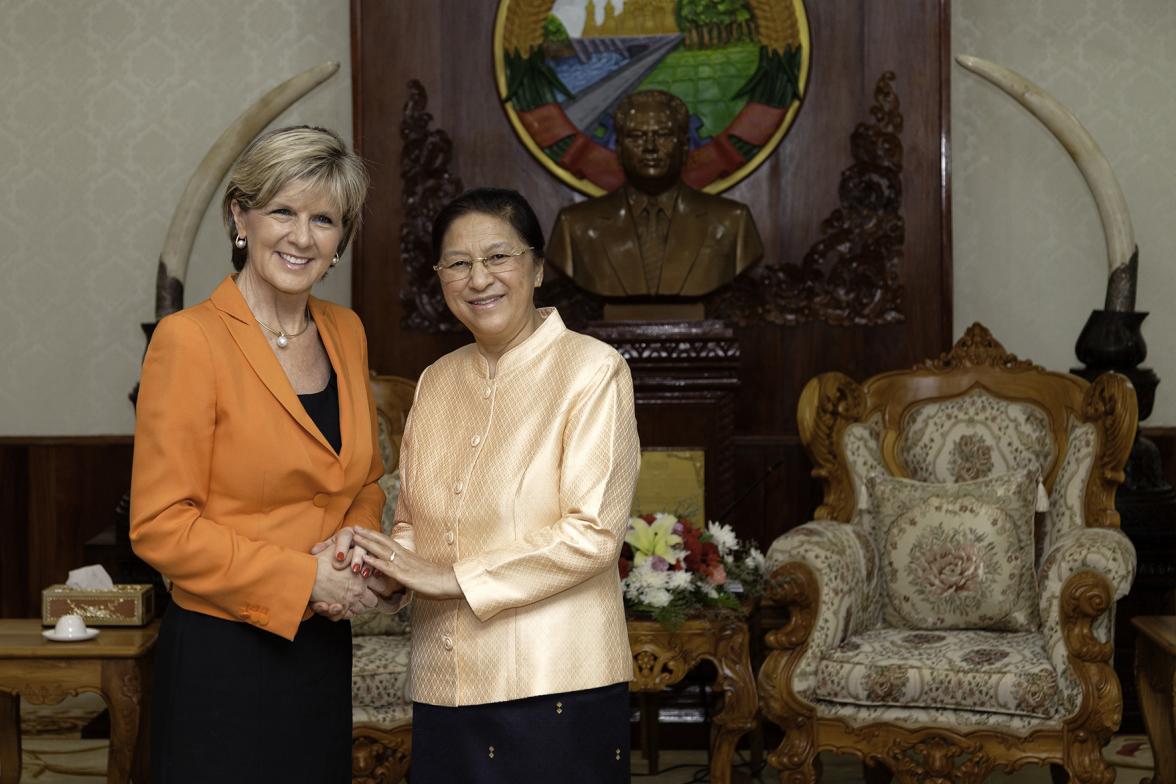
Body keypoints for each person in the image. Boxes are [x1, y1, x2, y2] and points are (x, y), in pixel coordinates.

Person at [347, 187, 641, 781]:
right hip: (443, 679)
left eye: (498, 257)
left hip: (554, 681)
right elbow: (413, 521)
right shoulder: (434, 382)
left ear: (536, 268)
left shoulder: (593, 370)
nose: (478, 278)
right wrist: (387, 570)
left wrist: (449, 577)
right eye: (458, 263)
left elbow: (592, 537)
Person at [130, 125, 393, 782]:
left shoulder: (346, 330)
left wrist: (350, 555)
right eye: (283, 211)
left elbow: (364, 480)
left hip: (320, 646)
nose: (302, 237)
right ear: (239, 217)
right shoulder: (188, 340)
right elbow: (160, 526)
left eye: (324, 219)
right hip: (224, 653)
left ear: (341, 240)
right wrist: (305, 577)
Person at [547, 89, 764, 298]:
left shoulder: (733, 222)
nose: (650, 147)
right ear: (620, 148)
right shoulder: (574, 226)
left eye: (663, 135)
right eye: (637, 136)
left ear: (685, 145)